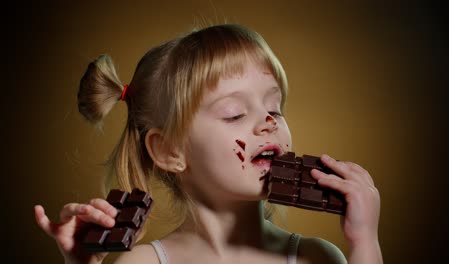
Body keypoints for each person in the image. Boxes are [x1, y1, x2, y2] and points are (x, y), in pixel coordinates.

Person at [34, 24, 382, 264]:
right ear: (171, 151)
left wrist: (365, 242)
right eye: (234, 114)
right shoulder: (144, 262)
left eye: (275, 108)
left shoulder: (316, 257)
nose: (269, 122)